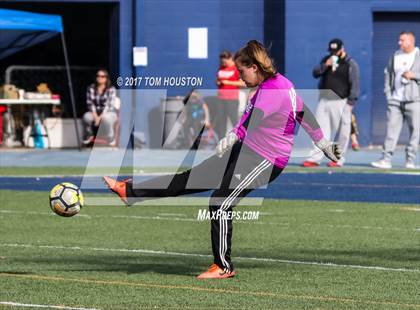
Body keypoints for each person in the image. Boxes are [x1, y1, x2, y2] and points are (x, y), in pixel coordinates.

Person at [103, 40, 342, 279]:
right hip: (246, 150)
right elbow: (302, 114)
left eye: (242, 71)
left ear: (255, 67)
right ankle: (130, 191)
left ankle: (223, 266)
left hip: (266, 159)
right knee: (189, 179)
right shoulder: (274, 85)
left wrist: (233, 136)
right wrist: (322, 144)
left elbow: (255, 121)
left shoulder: (274, 89)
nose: (240, 77)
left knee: (220, 203)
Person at [303, 38, 360, 167]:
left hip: (341, 101)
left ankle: (337, 159)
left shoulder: (350, 63)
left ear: (342, 49)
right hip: (324, 100)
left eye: (336, 51)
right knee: (319, 131)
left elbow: (355, 83)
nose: (333, 54)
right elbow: (315, 73)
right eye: (331, 51)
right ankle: (315, 158)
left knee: (343, 132)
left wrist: (351, 102)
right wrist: (326, 65)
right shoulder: (326, 60)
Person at [371, 31, 420, 169]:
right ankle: (385, 159)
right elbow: (388, 74)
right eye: (399, 40)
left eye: (402, 40)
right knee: (391, 131)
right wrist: (388, 94)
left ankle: (410, 160)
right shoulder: (395, 55)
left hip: (414, 101)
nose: (399, 43)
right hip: (395, 101)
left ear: (411, 41)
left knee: (415, 131)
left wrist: (414, 75)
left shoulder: (418, 55)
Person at [82, 69, 118, 146]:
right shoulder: (91, 88)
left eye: (102, 76)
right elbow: (90, 104)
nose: (99, 78)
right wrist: (96, 117)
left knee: (106, 118)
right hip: (94, 113)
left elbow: (108, 106)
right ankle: (89, 135)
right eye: (98, 76)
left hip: (109, 113)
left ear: (106, 78)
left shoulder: (111, 89)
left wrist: (100, 118)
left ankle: (110, 136)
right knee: (86, 117)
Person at [215, 51, 246, 139]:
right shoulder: (221, 68)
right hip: (221, 98)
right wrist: (218, 82)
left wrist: (228, 82)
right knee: (221, 121)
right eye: (222, 61)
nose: (223, 63)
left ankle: (239, 138)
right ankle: (221, 141)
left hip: (232, 98)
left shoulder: (236, 68)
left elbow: (243, 83)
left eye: (225, 61)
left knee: (234, 120)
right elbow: (218, 79)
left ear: (230, 59)